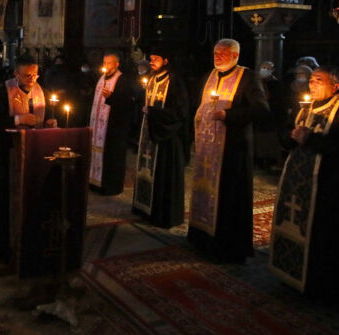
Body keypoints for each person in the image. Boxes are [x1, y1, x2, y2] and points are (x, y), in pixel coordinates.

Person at [269, 66, 339, 296]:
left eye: (319, 80)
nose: (312, 83)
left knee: (320, 235)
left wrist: (312, 139)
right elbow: (287, 134)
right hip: (297, 183)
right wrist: (291, 137)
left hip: (327, 185)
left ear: (336, 86)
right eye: (311, 79)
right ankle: (291, 272)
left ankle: (317, 282)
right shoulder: (306, 107)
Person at [188, 39, 270, 262]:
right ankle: (202, 238)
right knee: (205, 192)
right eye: (215, 53)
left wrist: (228, 116)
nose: (217, 57)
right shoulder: (210, 76)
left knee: (228, 196)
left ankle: (225, 245)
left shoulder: (248, 77)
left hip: (231, 150)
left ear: (235, 56)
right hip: (207, 149)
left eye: (223, 54)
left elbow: (261, 110)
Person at [0, 53, 56, 263]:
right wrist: (17, 119)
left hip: (34, 153)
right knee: (3, 197)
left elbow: (47, 114)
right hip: (8, 154)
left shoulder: (42, 92)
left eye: (34, 75)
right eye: (26, 75)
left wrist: (50, 121)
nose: (31, 79)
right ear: (16, 73)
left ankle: (29, 241)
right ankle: (1, 244)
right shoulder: (2, 92)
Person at [132, 46, 189, 227]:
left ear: (166, 61)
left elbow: (180, 112)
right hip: (150, 134)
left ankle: (162, 214)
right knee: (148, 171)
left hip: (166, 137)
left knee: (164, 175)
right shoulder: (152, 79)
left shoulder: (175, 81)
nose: (152, 62)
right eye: (151, 59)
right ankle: (145, 208)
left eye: (156, 59)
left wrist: (154, 112)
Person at [88, 52, 135, 195]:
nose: (106, 66)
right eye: (104, 62)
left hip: (113, 129)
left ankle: (110, 187)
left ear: (117, 64)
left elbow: (127, 103)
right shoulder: (101, 78)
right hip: (98, 127)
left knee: (111, 157)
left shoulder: (122, 80)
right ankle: (95, 183)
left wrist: (112, 97)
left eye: (109, 63)